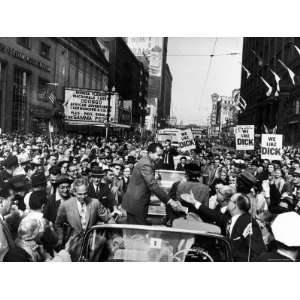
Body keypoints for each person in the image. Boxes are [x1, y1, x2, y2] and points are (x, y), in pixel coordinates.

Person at [181, 192, 266, 261]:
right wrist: (194, 202)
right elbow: (212, 214)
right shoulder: (231, 219)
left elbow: (258, 251)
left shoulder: (249, 223)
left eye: (230, 200)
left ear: (234, 206)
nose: (228, 202)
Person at [122, 142, 186, 225]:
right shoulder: (146, 164)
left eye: (161, 155)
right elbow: (153, 185)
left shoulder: (147, 161)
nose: (161, 157)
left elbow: (146, 179)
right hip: (136, 203)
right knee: (137, 233)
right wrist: (169, 201)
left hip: (136, 202)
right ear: (150, 153)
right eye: (158, 155)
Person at [55, 177, 114, 248]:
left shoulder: (95, 203)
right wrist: (60, 238)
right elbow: (58, 224)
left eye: (85, 193)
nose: (83, 197)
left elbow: (108, 219)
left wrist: (116, 236)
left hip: (91, 243)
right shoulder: (65, 205)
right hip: (73, 244)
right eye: (80, 194)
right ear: (74, 192)